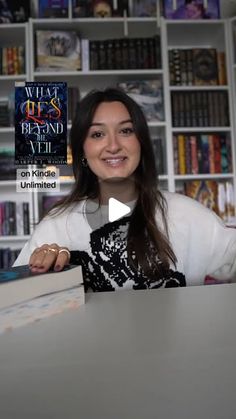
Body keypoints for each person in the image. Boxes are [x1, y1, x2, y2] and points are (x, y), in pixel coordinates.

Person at [13, 87, 236, 291]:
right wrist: (38, 275)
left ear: (142, 142)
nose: (113, 146)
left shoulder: (188, 214)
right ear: (82, 151)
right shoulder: (56, 225)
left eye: (126, 131)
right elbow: (15, 299)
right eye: (97, 134)